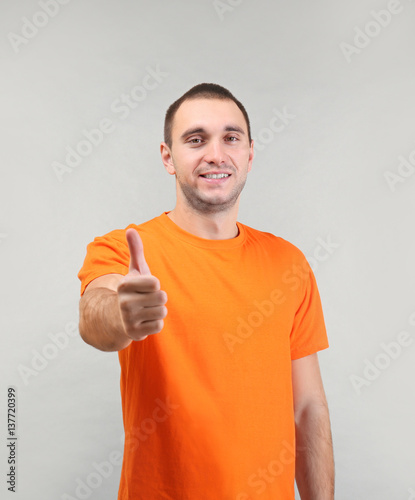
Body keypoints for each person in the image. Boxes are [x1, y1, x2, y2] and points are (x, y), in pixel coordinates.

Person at [78, 83, 335, 499]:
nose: (216, 154)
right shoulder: (122, 249)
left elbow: (308, 407)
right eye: (196, 140)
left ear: (249, 155)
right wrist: (122, 314)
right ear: (168, 157)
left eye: (230, 138)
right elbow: (96, 318)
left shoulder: (289, 264)